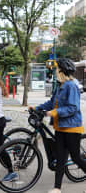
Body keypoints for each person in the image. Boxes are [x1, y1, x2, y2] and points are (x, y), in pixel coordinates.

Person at [32, 58, 86, 193]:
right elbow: (51, 103)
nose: (55, 71)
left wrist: (53, 113)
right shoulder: (60, 85)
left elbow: (72, 108)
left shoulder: (71, 85)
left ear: (62, 70)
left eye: (57, 69)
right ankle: (57, 188)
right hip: (60, 127)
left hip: (72, 128)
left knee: (76, 158)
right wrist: (37, 108)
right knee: (61, 158)